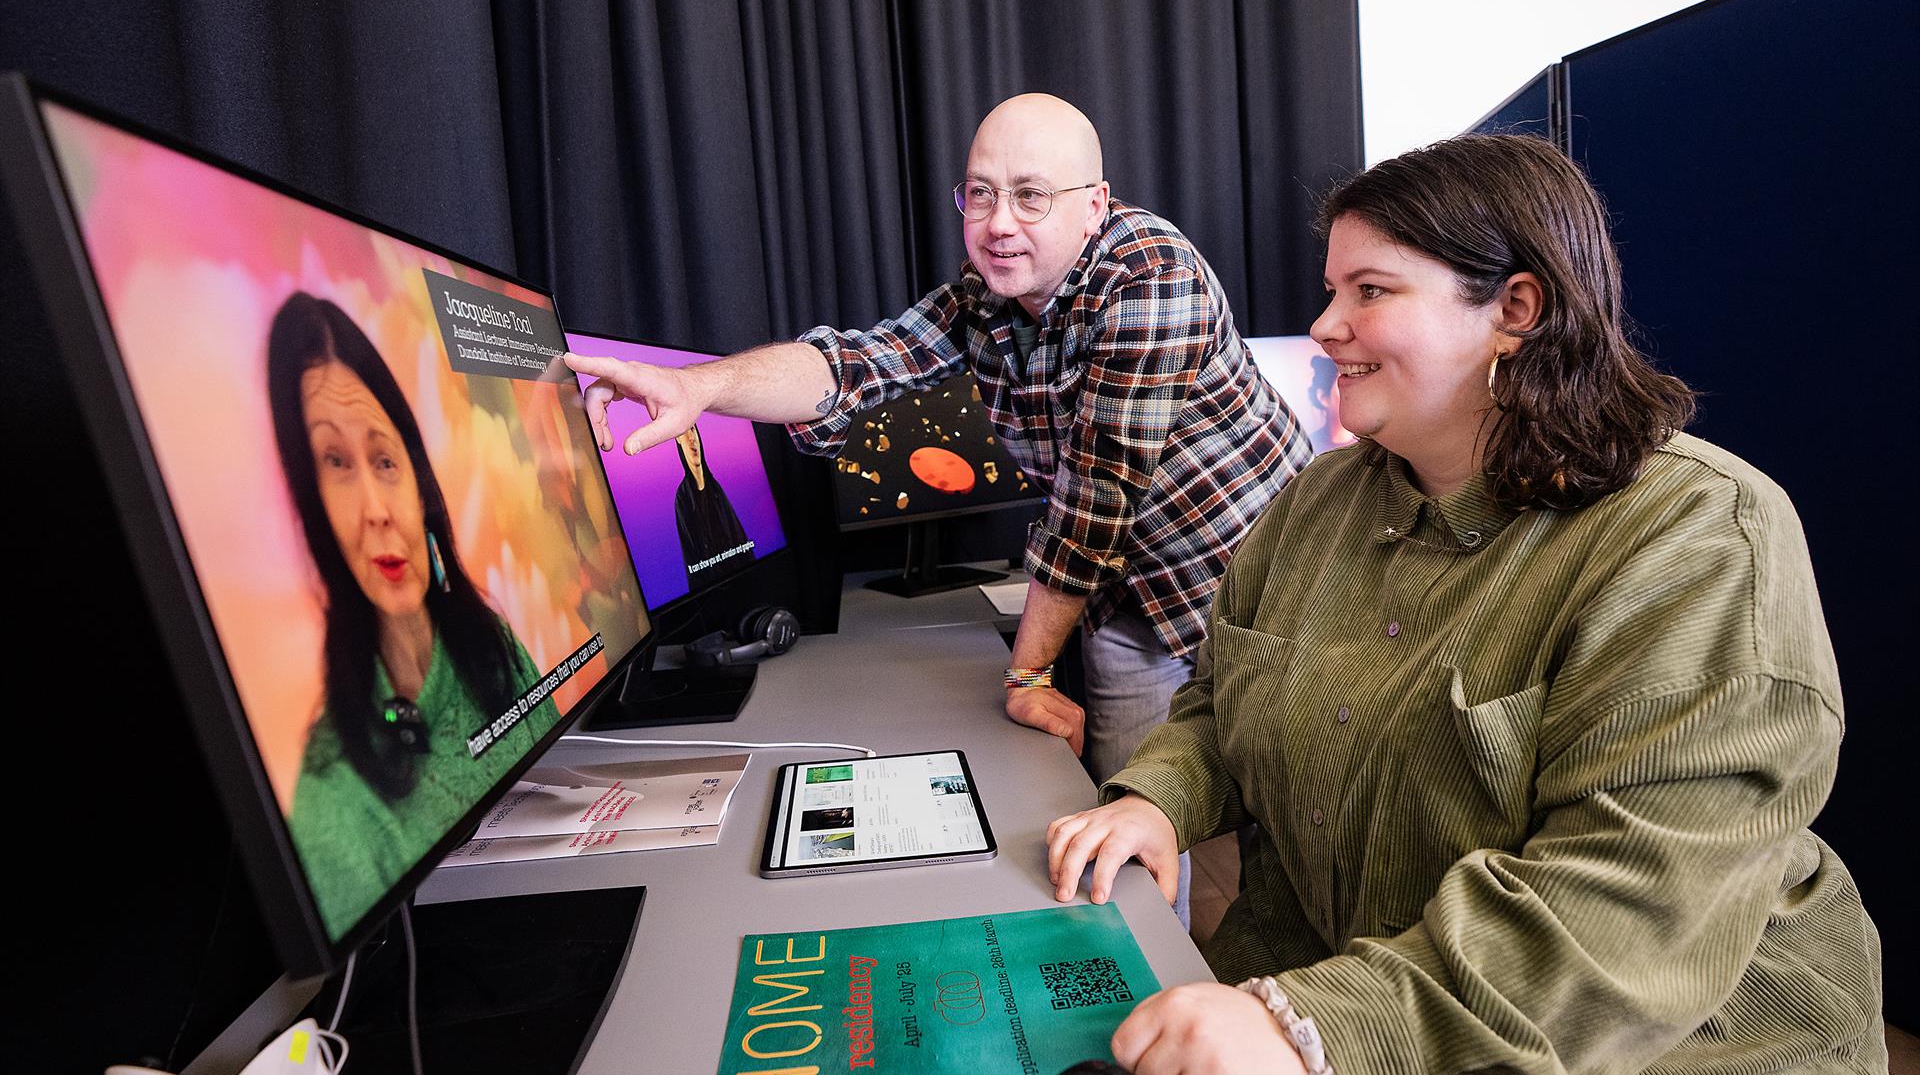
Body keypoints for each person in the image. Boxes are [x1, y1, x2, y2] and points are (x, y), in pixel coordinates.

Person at [1045, 135, 1885, 1074]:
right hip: (1341, 996)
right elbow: (1219, 701)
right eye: (1333, 292)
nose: (1324, 327)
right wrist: (1163, 798)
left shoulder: (1698, 538)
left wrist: (1307, 1025)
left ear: (1515, 311)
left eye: (1370, 291)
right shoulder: (1320, 502)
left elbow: (1619, 915)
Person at [566, 94, 1310, 801]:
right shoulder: (984, 298)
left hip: (1262, 583)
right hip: (1130, 601)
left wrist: (1025, 678)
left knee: (1280, 823)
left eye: (1030, 194)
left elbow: (1096, 499)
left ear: (1095, 205)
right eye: (980, 194)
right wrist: (695, 388)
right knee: (1137, 818)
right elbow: (854, 364)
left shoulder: (1151, 275)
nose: (998, 223)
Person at [267, 292, 559, 939]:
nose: (376, 509)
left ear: (418, 481)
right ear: (309, 503)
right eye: (335, 464)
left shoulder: (491, 641)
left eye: (383, 460)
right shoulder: (332, 806)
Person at [672, 422, 753, 591]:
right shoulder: (682, 497)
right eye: (684, 432)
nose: (691, 439)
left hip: (743, 582)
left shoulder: (716, 487)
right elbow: (691, 557)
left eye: (693, 430)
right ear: (678, 440)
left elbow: (738, 535)